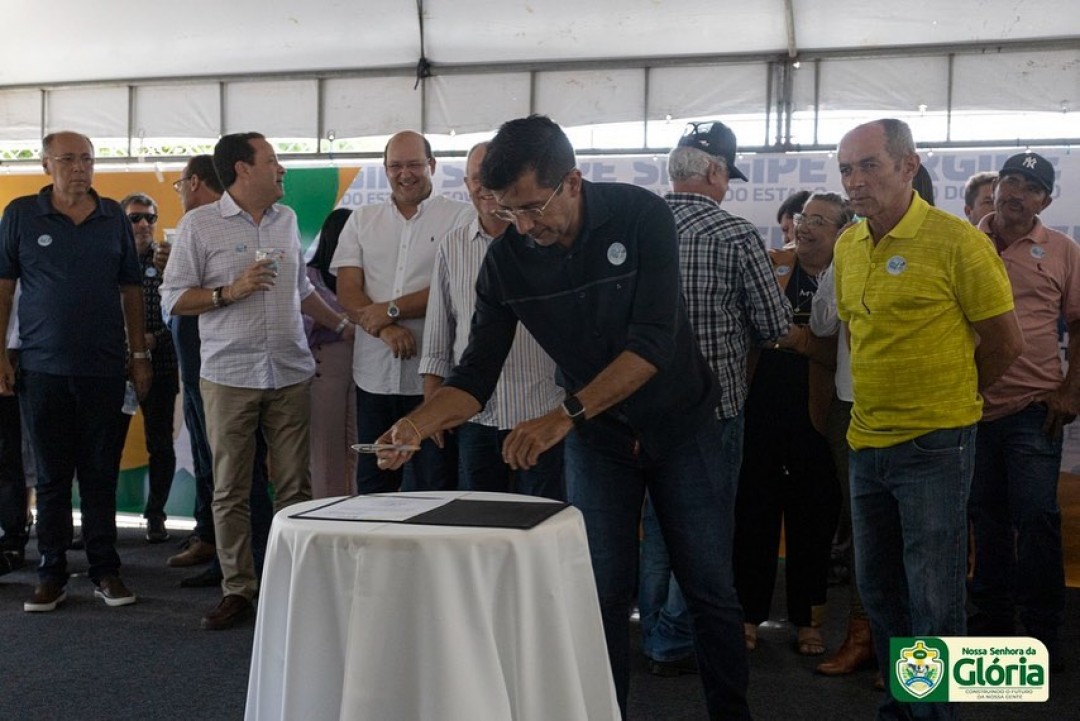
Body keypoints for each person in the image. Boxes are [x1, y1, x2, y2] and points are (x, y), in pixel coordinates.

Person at [373, 115, 751, 720]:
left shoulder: (642, 216)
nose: (522, 226)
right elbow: (474, 377)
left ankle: (732, 714)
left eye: (531, 208)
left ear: (571, 182)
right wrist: (417, 424)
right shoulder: (507, 260)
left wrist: (561, 416)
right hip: (599, 441)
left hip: (682, 427)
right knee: (597, 595)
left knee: (709, 589)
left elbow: (653, 344)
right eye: (506, 211)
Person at [833, 118, 1022, 720]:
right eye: (845, 170)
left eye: (868, 166)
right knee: (881, 592)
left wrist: (954, 401)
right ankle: (907, 703)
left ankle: (931, 714)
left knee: (934, 599)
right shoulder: (847, 244)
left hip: (935, 444)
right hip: (866, 442)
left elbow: (1005, 345)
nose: (855, 182)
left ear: (909, 166)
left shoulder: (957, 242)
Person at [160, 132, 351, 630]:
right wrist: (230, 291)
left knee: (295, 486)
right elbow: (173, 299)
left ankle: (293, 586)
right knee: (231, 491)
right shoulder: (200, 225)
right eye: (273, 160)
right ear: (243, 170)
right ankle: (239, 590)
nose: (282, 168)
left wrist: (347, 326)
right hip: (230, 375)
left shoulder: (287, 221)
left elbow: (302, 290)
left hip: (290, 371)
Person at [636, 120, 792, 675]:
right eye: (727, 176)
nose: (728, 188)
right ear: (714, 171)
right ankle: (676, 636)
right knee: (700, 527)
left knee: (654, 524)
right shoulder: (735, 234)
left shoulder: (635, 228)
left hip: (639, 407)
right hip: (713, 411)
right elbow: (774, 325)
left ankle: (653, 630)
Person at [0, 130, 150, 612]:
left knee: (99, 472)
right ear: (45, 165)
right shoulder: (21, 214)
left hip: (105, 367)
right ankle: (51, 571)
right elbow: (4, 288)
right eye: (68, 159)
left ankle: (105, 569)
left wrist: (138, 354)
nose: (79, 168)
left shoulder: (113, 218)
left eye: (87, 158)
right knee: (50, 476)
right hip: (41, 366)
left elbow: (130, 290)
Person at [969, 152, 1079, 671]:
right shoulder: (962, 240)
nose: (1014, 191)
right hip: (965, 406)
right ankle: (990, 624)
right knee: (984, 519)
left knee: (1036, 517)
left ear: (1046, 200)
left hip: (1034, 407)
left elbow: (1079, 325)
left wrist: (1070, 390)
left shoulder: (1063, 251)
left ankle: (1042, 630)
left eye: (1029, 185)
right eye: (1009, 180)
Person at [420, 142, 564, 498]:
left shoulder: (546, 241)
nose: (482, 187)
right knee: (479, 527)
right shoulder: (453, 245)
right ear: (466, 184)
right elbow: (440, 333)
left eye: (490, 178)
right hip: (476, 420)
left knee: (540, 521)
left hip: (540, 411)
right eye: (474, 179)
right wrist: (432, 406)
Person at [332, 131, 473, 494]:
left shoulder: (461, 218)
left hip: (434, 379)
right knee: (374, 483)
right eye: (395, 165)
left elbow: (456, 285)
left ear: (432, 165)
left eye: (413, 164)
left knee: (433, 485)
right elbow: (347, 289)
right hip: (374, 375)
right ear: (385, 169)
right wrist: (384, 329)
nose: (404, 173)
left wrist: (391, 310)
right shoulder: (362, 219)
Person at [738, 192, 846, 656]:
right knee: (752, 516)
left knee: (814, 520)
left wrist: (799, 341)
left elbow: (843, 353)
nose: (805, 226)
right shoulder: (770, 263)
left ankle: (809, 620)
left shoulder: (850, 273)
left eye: (820, 220)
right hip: (759, 410)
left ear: (842, 232)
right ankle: (747, 615)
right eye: (804, 217)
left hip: (818, 416)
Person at [161, 155, 275, 590]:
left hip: (232, 371)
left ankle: (248, 562)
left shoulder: (252, 223)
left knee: (237, 474)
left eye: (179, 186)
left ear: (195, 183)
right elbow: (174, 297)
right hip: (201, 370)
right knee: (214, 467)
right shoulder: (195, 231)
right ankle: (218, 547)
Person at [120, 192, 179, 544]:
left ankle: (155, 515)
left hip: (162, 362)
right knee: (104, 446)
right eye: (134, 218)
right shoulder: (108, 260)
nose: (143, 224)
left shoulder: (168, 260)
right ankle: (99, 521)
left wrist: (153, 340)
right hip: (116, 366)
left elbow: (183, 313)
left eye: (149, 218)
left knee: (160, 443)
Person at [305, 207, 358, 498]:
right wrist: (340, 325)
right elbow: (302, 328)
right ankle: (326, 521)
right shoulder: (309, 277)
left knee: (360, 449)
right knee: (326, 453)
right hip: (324, 368)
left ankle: (359, 521)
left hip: (365, 368)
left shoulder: (367, 275)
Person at [0, 289, 29, 575]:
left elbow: (17, 315)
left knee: (7, 457)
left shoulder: (8, 254)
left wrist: (6, 359)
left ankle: (11, 540)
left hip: (6, 369)